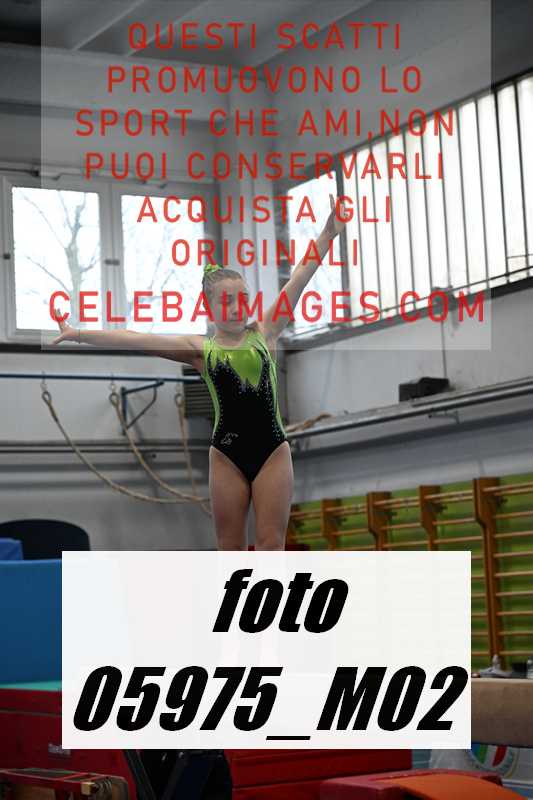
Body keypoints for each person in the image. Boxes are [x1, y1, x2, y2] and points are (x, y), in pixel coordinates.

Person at [53, 193, 347, 550]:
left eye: (243, 298)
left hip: (272, 450)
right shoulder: (200, 350)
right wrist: (78, 333)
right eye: (227, 301)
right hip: (226, 456)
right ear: (209, 307)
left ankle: (267, 591)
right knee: (229, 548)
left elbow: (300, 276)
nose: (237, 307)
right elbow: (135, 339)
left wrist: (328, 233)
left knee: (271, 545)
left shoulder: (265, 331)